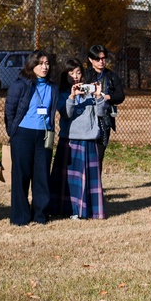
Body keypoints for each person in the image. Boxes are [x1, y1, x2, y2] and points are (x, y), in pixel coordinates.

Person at [48, 58, 106, 219]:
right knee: (67, 180)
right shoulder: (62, 94)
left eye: (79, 72)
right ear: (65, 75)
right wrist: (72, 97)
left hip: (89, 139)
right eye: (71, 73)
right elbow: (66, 113)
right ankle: (65, 209)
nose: (76, 76)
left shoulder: (90, 92)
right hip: (70, 139)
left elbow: (101, 113)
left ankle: (86, 209)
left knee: (86, 179)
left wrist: (99, 96)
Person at [4, 50, 56, 226]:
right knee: (21, 176)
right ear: (31, 65)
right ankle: (20, 216)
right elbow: (9, 111)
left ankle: (41, 215)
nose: (44, 67)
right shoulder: (20, 85)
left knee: (42, 176)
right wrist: (13, 132)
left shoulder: (52, 87)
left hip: (44, 135)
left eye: (47, 63)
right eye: (40, 63)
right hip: (23, 134)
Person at [83, 44, 126, 168]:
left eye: (103, 58)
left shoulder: (111, 76)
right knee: (86, 153)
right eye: (98, 59)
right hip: (86, 118)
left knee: (99, 154)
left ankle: (96, 184)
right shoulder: (85, 75)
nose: (101, 62)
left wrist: (107, 97)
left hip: (104, 119)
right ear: (91, 60)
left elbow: (120, 96)